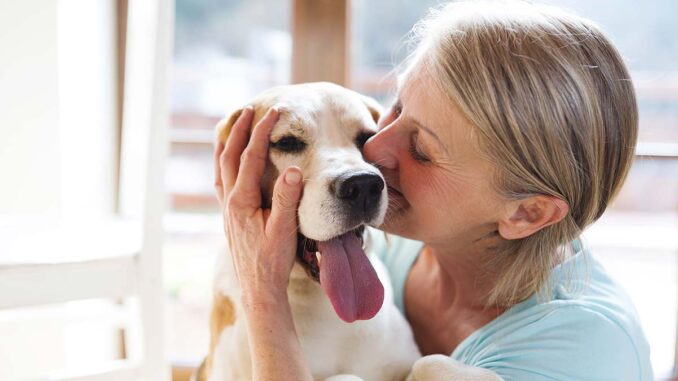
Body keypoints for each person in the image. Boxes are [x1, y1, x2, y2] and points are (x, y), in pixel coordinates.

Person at [213, 1, 653, 380]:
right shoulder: (393, 249)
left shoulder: (582, 356)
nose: (373, 154)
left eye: (421, 149)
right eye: (395, 110)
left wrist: (263, 295)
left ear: (526, 214)